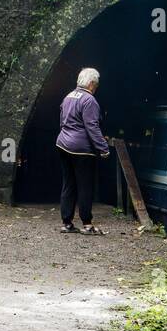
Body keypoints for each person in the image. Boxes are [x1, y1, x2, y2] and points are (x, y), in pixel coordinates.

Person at [55, 67, 110, 234]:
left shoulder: (68, 97)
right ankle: (87, 224)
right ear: (92, 83)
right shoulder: (89, 100)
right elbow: (92, 126)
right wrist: (103, 148)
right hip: (82, 150)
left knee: (68, 184)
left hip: (63, 144)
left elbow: (62, 121)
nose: (96, 88)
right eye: (96, 85)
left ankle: (67, 223)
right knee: (85, 186)